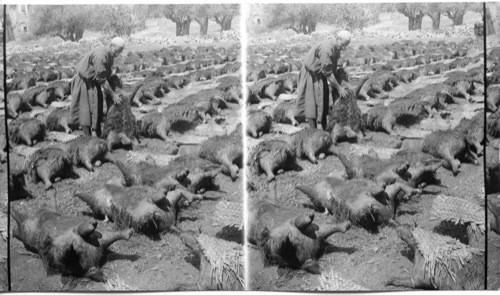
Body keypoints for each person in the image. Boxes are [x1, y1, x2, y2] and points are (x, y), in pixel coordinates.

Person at [295, 30, 352, 130]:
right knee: (311, 102)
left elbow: (331, 66)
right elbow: (328, 72)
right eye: (343, 44)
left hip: (321, 75)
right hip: (310, 75)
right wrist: (339, 88)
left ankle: (324, 127)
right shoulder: (327, 48)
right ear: (338, 39)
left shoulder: (336, 47)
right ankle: (314, 130)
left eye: (346, 46)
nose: (344, 48)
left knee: (323, 100)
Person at [69, 37, 125, 137]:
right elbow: (103, 80)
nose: (117, 55)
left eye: (119, 53)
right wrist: (113, 95)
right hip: (83, 82)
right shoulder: (100, 55)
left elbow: (105, 74)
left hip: (94, 82)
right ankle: (88, 138)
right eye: (116, 51)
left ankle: (98, 135)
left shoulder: (109, 55)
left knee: (97, 108)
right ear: (111, 45)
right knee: (85, 111)